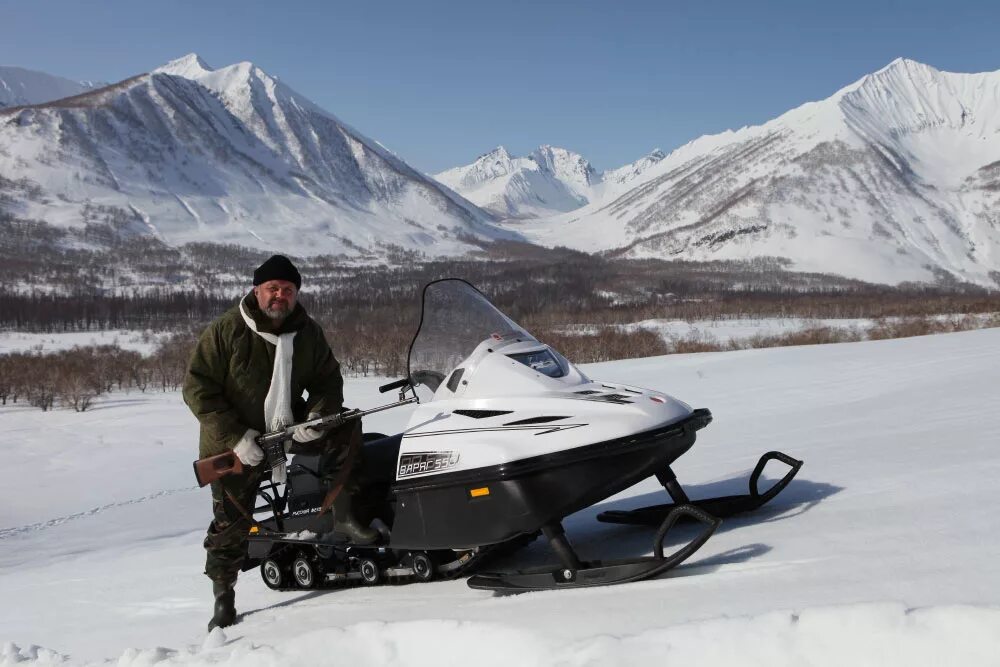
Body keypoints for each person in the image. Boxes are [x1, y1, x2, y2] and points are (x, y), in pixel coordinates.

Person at [183, 254, 377, 631]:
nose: (280, 296)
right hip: (233, 445)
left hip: (287, 430)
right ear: (257, 290)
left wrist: (315, 421)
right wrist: (237, 439)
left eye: (288, 290)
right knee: (230, 523)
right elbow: (197, 389)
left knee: (346, 425)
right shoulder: (226, 331)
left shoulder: (307, 332)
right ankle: (224, 594)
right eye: (273, 288)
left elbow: (327, 382)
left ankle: (345, 514)